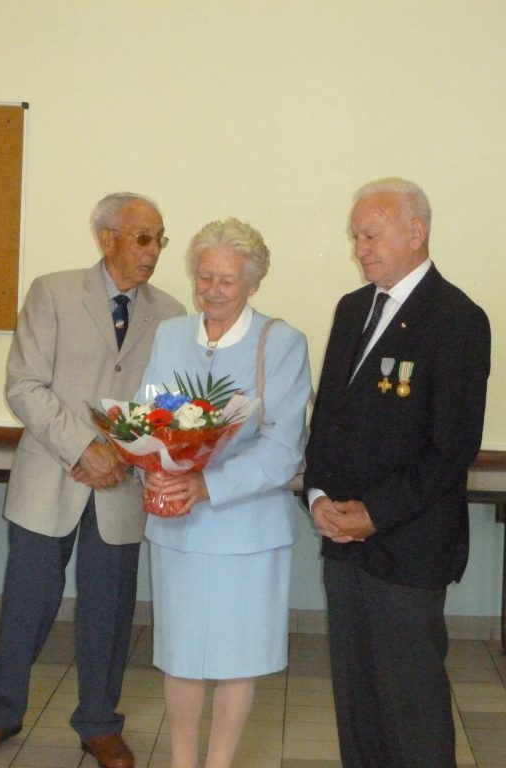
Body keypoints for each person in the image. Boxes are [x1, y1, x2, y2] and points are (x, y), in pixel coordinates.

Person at [0, 192, 184, 768]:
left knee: (109, 610)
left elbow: (168, 405)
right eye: (143, 238)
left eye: (160, 239)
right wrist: (84, 447)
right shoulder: (52, 292)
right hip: (50, 477)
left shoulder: (174, 314)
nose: (153, 251)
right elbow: (25, 386)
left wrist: (124, 453)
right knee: (27, 603)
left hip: (122, 485)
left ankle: (100, 723)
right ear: (107, 238)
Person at [304, 178, 491, 767]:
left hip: (408, 546)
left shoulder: (458, 318)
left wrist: (375, 514)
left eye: (371, 234)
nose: (360, 247)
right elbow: (327, 418)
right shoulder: (352, 309)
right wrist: (315, 497)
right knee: (356, 701)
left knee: (412, 705)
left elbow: (452, 446)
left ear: (416, 233)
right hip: (342, 541)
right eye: (355, 236)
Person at [140, 218, 312, 768]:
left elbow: (285, 447)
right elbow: (148, 416)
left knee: (238, 656)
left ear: (254, 284)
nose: (212, 290)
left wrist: (206, 484)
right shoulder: (170, 334)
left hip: (246, 527)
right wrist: (151, 462)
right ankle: (182, 762)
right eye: (204, 277)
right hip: (178, 525)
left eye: (227, 281)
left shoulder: (281, 342)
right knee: (181, 654)